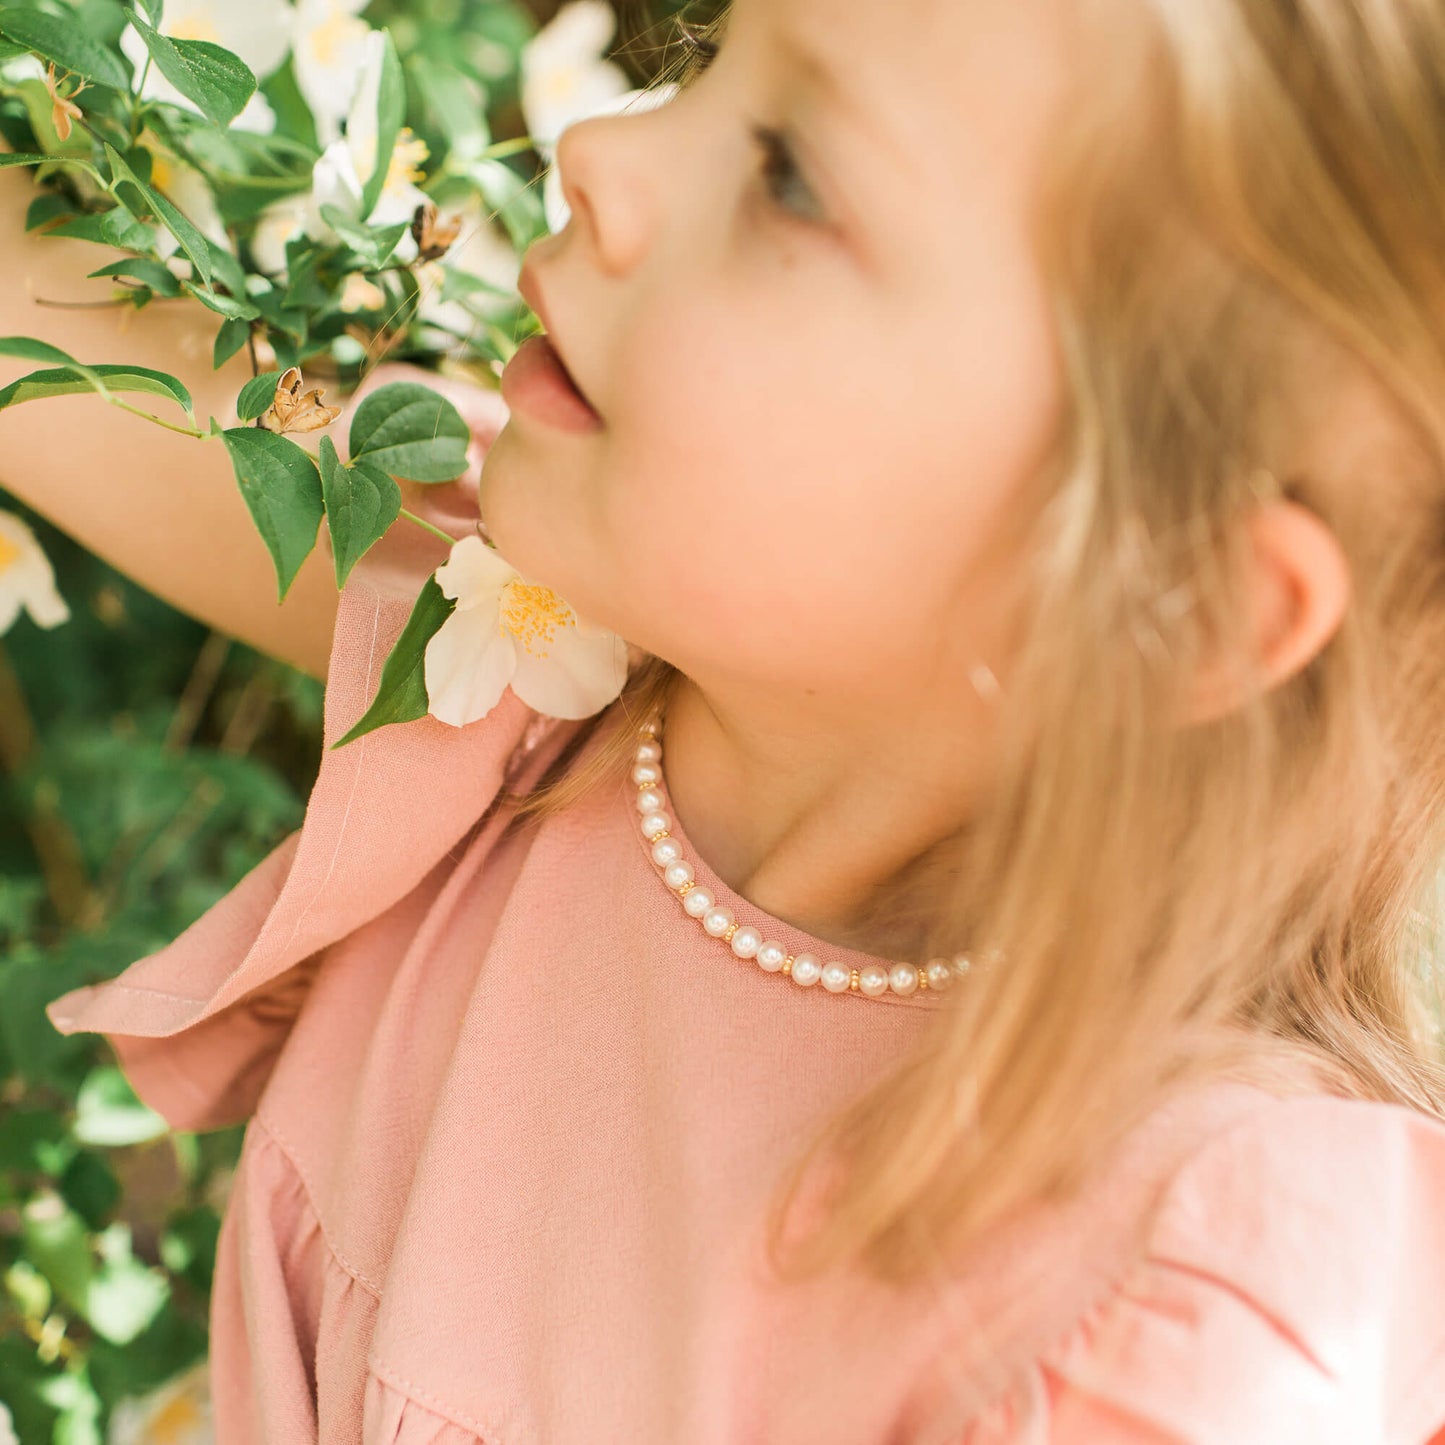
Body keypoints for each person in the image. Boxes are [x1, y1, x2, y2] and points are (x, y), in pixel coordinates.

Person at [4, 0, 1445, 1438]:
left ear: (1170, 587)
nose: (597, 154)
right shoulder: (525, 649)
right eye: (707, 58)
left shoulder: (1194, 1296)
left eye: (795, 175)